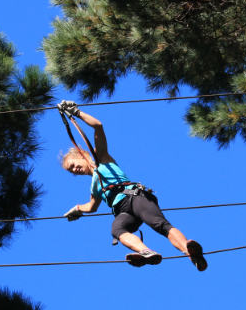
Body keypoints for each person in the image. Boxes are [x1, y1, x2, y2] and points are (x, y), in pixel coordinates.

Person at [58, 100, 208, 271]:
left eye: (74, 165)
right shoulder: (94, 187)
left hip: (134, 196)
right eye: (71, 171)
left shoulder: (102, 160)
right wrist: (77, 209)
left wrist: (77, 113)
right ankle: (146, 252)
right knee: (117, 229)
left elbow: (98, 126)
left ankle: (189, 251)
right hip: (122, 210)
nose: (75, 170)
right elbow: (91, 206)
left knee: (160, 225)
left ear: (82, 155)